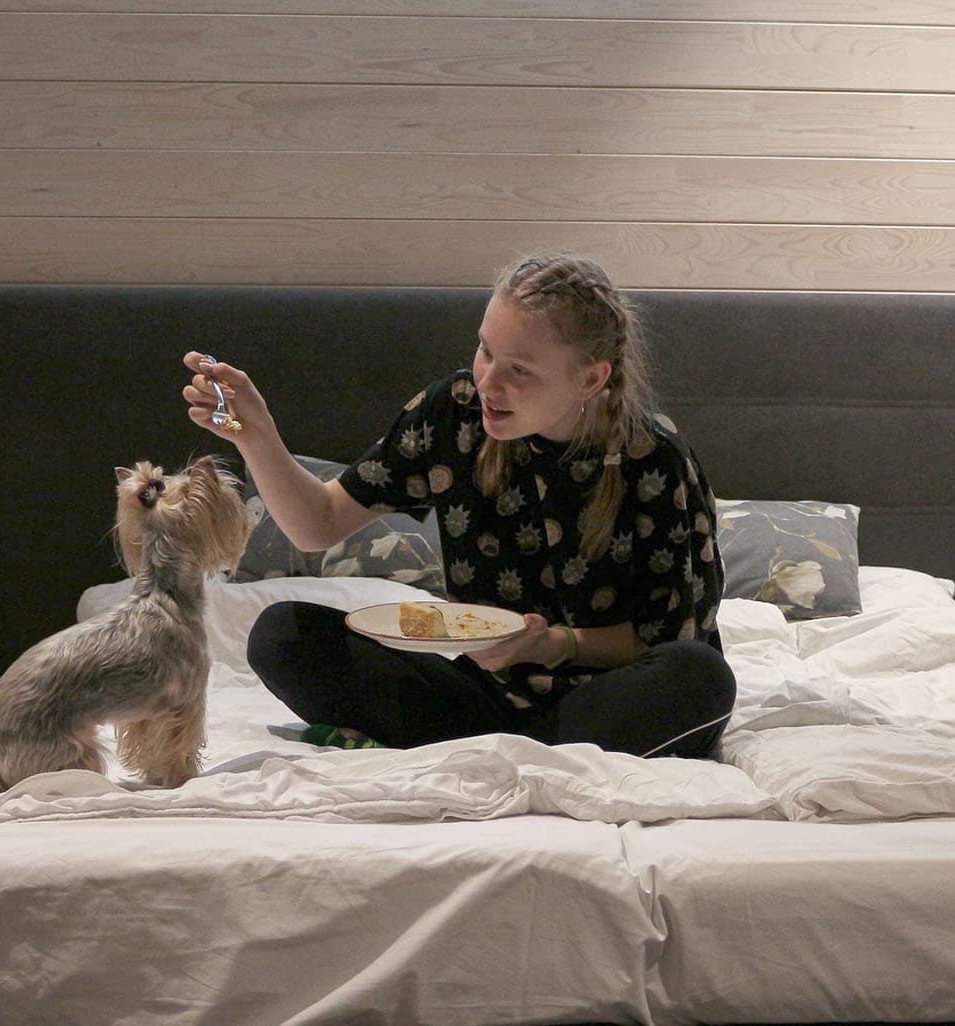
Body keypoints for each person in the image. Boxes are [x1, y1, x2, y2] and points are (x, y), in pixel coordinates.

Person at [180, 253, 735, 758]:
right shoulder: (453, 414)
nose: (488, 381)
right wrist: (254, 435)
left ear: (590, 378)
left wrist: (550, 645)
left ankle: (495, 751)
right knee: (284, 633)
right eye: (485, 350)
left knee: (700, 677)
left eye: (520, 369)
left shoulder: (652, 457)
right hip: (482, 697)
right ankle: (533, 754)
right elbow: (317, 524)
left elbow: (671, 636)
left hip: (607, 697)